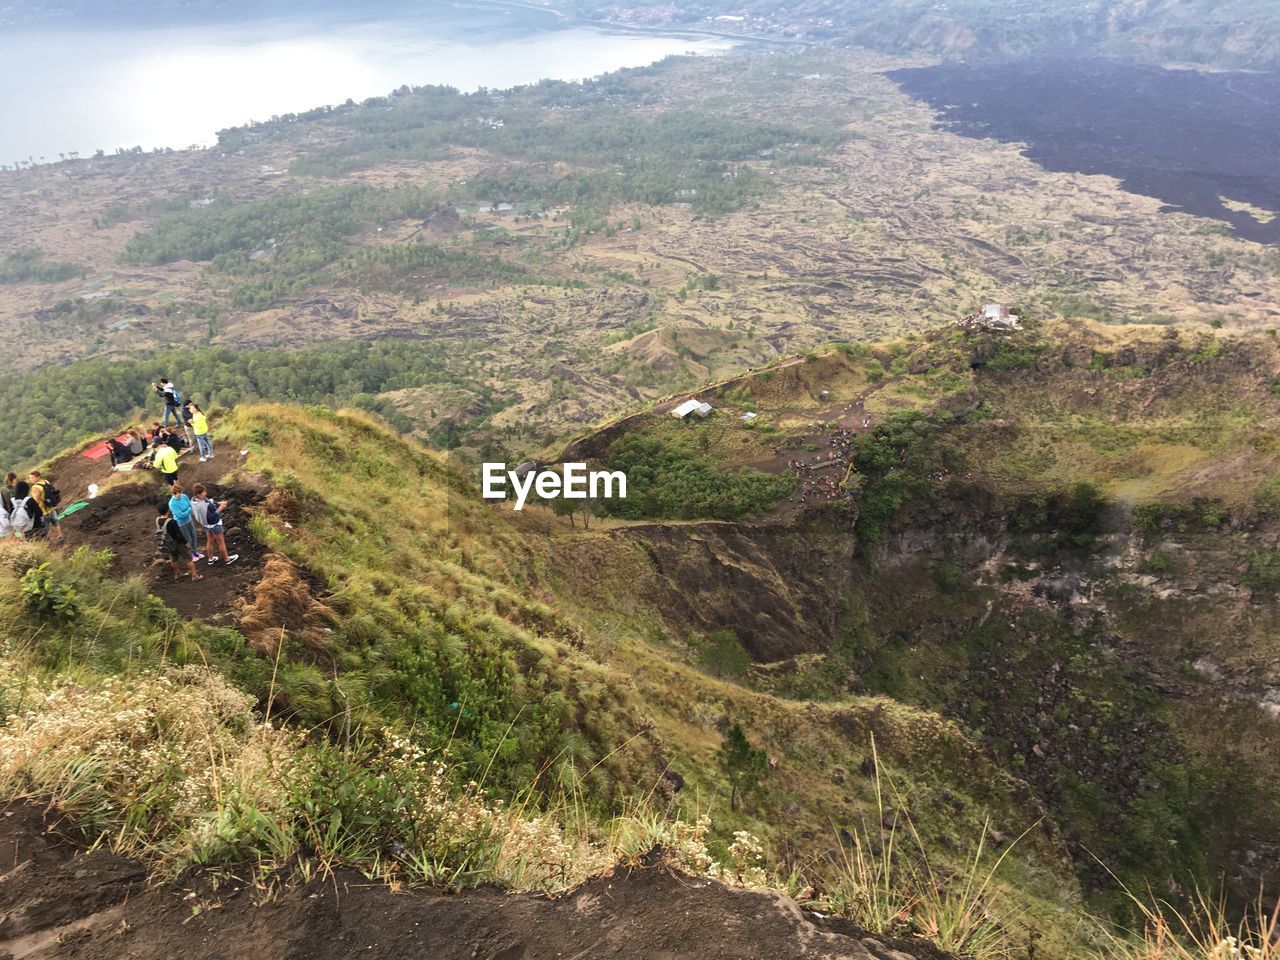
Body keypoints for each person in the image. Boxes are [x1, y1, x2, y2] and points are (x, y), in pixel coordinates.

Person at [192, 484, 238, 565]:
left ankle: (211, 559)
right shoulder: (201, 506)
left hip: (206, 525)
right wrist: (221, 508)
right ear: (198, 494)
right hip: (214, 524)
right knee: (221, 542)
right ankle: (227, 559)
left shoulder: (195, 500)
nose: (205, 493)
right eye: (203, 492)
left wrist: (219, 503)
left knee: (210, 540)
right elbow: (212, 518)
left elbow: (209, 501)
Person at [156, 503, 202, 582]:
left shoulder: (157, 520)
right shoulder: (172, 522)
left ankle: (177, 574)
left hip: (168, 544)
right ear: (168, 511)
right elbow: (179, 534)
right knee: (188, 558)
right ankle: (194, 575)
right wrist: (186, 543)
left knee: (173, 559)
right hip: (177, 543)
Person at [168, 482, 204, 561]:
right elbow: (180, 515)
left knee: (193, 536)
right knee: (188, 539)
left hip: (189, 520)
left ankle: (195, 552)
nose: (181, 494)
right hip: (181, 524)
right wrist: (188, 510)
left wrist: (187, 510)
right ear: (174, 493)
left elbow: (190, 505)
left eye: (181, 492)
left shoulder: (184, 496)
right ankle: (191, 555)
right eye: (179, 493)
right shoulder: (172, 503)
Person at [27, 471, 61, 544]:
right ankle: (60, 538)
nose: (30, 480)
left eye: (32, 478)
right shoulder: (46, 482)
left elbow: (36, 501)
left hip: (43, 511)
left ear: (37, 477)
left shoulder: (35, 487)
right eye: (30, 478)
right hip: (51, 508)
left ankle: (51, 543)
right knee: (56, 524)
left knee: (46, 528)